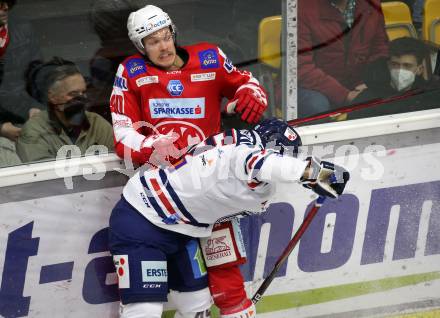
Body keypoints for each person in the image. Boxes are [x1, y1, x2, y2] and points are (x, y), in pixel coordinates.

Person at [109, 5, 268, 317]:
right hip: (165, 190)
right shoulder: (131, 72)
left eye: (165, 37)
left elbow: (245, 82)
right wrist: (155, 145)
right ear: (140, 47)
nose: (163, 46)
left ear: (174, 33)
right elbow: (123, 135)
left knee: (226, 269)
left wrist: (252, 95)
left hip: (212, 184)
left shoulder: (210, 57)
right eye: (152, 41)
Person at [108, 118, 350, 318]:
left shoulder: (235, 149)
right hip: (141, 218)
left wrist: (236, 303)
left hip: (185, 232)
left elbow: (224, 218)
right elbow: (259, 162)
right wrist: (312, 172)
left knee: (198, 307)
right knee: (144, 310)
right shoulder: (243, 153)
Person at [297, 0, 389, 118]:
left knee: (395, 93)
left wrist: (370, 82)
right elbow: (301, 68)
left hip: (358, 84)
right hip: (312, 87)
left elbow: (380, 49)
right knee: (317, 106)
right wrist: (345, 95)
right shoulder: (301, 8)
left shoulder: (371, 4)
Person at [16, 57, 114, 162]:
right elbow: (41, 175)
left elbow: (116, 166)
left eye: (83, 92)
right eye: (73, 94)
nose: (81, 98)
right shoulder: (35, 131)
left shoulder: (97, 124)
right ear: (53, 97)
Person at [350, 37, 440, 119]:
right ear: (388, 65)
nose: (400, 70)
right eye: (395, 64)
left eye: (407, 66)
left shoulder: (430, 96)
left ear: (419, 69)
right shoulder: (367, 100)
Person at [0, 0, 44, 124]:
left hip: (25, 107)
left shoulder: (23, 28)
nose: (6, 8)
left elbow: (38, 72)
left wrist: (35, 106)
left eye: (6, 2)